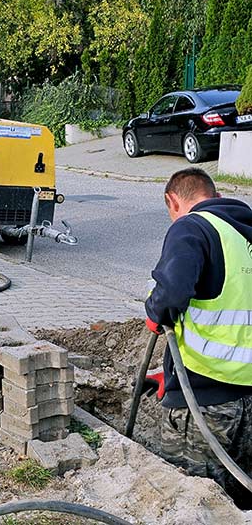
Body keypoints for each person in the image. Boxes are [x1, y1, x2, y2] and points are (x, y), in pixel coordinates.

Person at [145, 167, 252, 507]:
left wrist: (154, 311)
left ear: (172, 201)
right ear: (217, 197)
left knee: (189, 502)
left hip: (205, 403)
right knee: (240, 502)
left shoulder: (192, 227)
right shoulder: (244, 234)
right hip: (248, 402)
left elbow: (172, 293)